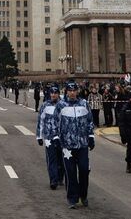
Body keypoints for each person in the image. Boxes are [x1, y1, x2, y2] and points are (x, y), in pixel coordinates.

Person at [52, 80, 95, 209]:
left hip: (82, 145)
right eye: (69, 91)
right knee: (70, 173)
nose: (72, 93)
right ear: (66, 92)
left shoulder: (84, 104)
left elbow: (90, 121)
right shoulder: (61, 105)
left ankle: (83, 195)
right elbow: (55, 122)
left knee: (83, 170)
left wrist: (91, 137)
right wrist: (56, 138)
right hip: (67, 146)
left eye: (74, 90)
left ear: (77, 91)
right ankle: (72, 198)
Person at [36, 85, 64, 189]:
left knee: (61, 159)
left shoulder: (63, 105)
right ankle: (53, 180)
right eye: (51, 93)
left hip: (61, 137)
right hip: (49, 137)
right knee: (51, 159)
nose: (53, 95)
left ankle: (60, 176)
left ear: (58, 93)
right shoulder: (45, 105)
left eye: (55, 93)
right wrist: (39, 136)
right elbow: (40, 121)